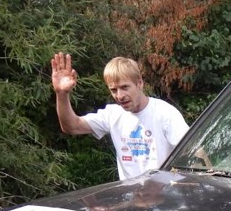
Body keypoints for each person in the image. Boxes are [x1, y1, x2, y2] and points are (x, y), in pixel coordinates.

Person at [51, 52, 190, 181]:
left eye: (125, 87)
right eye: (113, 90)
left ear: (139, 83)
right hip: (130, 198)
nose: (119, 96)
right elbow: (71, 127)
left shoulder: (165, 113)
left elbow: (194, 152)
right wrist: (62, 94)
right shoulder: (113, 114)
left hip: (165, 199)